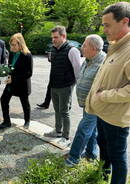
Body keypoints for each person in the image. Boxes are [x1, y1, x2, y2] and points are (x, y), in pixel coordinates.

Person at [85, 2, 130, 184]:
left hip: (116, 118)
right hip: (104, 113)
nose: (104, 29)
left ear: (125, 22)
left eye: (107, 25)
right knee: (103, 147)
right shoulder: (116, 46)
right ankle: (102, 176)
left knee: (118, 157)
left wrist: (104, 96)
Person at [65, 34, 106, 167]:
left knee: (83, 129)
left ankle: (73, 157)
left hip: (95, 105)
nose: (81, 47)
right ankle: (91, 154)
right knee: (91, 130)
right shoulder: (89, 59)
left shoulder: (103, 63)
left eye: (84, 45)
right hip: (86, 103)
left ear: (94, 48)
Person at [44, 26, 82, 146]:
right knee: (56, 109)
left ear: (63, 36)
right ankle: (58, 131)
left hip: (66, 86)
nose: (53, 40)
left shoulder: (72, 50)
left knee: (64, 111)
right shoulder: (54, 49)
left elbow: (78, 71)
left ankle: (66, 137)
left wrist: (73, 85)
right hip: (54, 85)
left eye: (56, 37)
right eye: (52, 38)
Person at [0, 33, 33, 129]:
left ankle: (27, 122)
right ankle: (7, 121)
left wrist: (14, 78)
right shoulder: (12, 54)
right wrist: (7, 74)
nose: (12, 47)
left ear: (20, 44)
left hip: (22, 84)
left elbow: (29, 73)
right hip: (11, 84)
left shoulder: (27, 55)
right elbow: (10, 67)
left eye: (14, 45)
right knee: (3, 99)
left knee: (25, 104)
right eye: (11, 44)